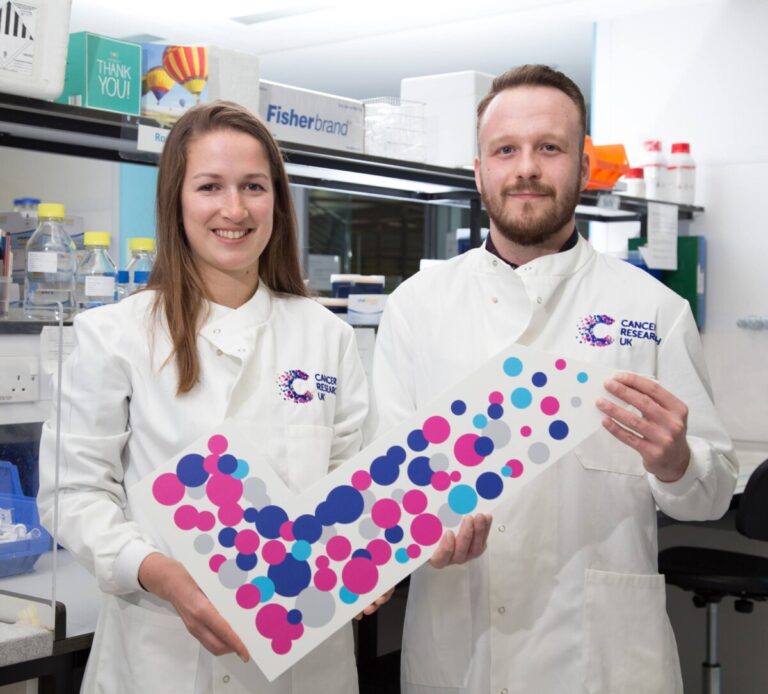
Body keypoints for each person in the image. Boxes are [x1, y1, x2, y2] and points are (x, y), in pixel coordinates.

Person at [367, 65, 738, 694]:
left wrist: (677, 461)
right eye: (505, 149)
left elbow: (712, 493)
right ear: (478, 170)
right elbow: (384, 490)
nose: (526, 168)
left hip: (599, 657)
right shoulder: (416, 306)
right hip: (459, 648)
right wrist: (417, 536)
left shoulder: (653, 311)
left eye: (549, 147)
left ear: (584, 164)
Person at [37, 101, 373, 694]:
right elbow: (72, 496)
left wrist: (369, 558)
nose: (234, 209)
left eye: (253, 187)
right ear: (177, 200)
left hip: (305, 657)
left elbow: (358, 485)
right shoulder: (114, 335)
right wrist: (159, 573)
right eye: (210, 186)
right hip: (157, 656)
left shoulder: (328, 336)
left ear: (278, 201)